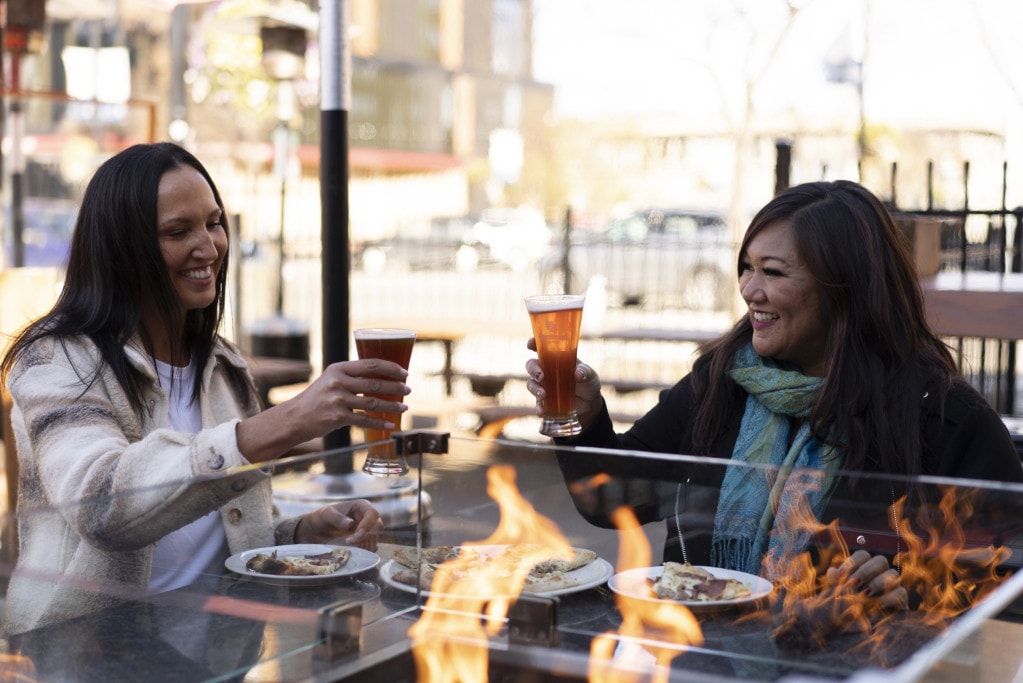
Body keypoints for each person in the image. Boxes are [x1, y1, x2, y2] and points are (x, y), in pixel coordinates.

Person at [526, 180, 1023, 611]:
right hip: (702, 660)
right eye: (746, 267)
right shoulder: (722, 382)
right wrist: (581, 419)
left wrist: (908, 591)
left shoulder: (945, 420)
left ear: (844, 289)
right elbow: (616, 501)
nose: (749, 289)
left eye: (773, 272)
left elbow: (997, 582)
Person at [0, 142, 409, 635]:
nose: (210, 246)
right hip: (82, 652)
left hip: (218, 656)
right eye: (178, 231)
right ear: (122, 249)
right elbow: (103, 504)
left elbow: (227, 530)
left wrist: (302, 532)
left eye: (214, 222)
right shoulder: (56, 357)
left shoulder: (224, 363)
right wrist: (285, 422)